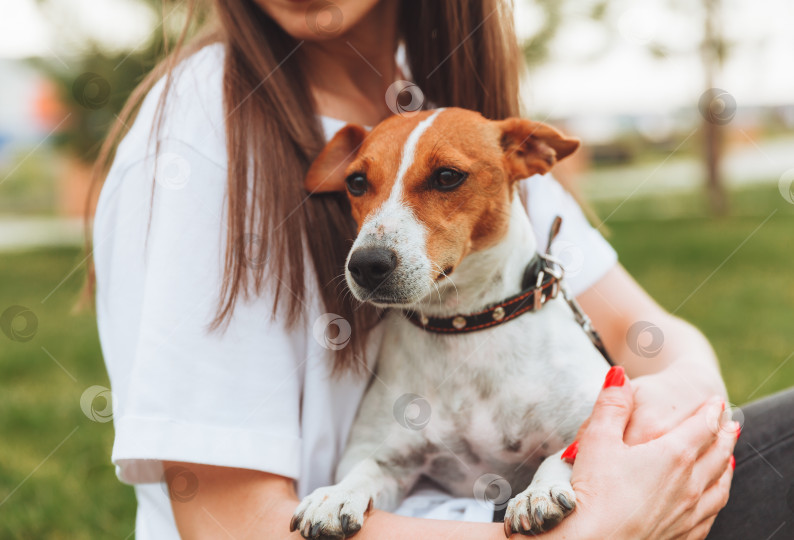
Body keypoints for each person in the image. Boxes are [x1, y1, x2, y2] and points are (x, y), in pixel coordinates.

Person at [91, 1, 792, 538]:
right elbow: (227, 524)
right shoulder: (200, 134)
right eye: (363, 187)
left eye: (445, 181)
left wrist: (686, 433)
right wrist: (604, 527)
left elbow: (649, 335)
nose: (380, 226)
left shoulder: (457, 118)